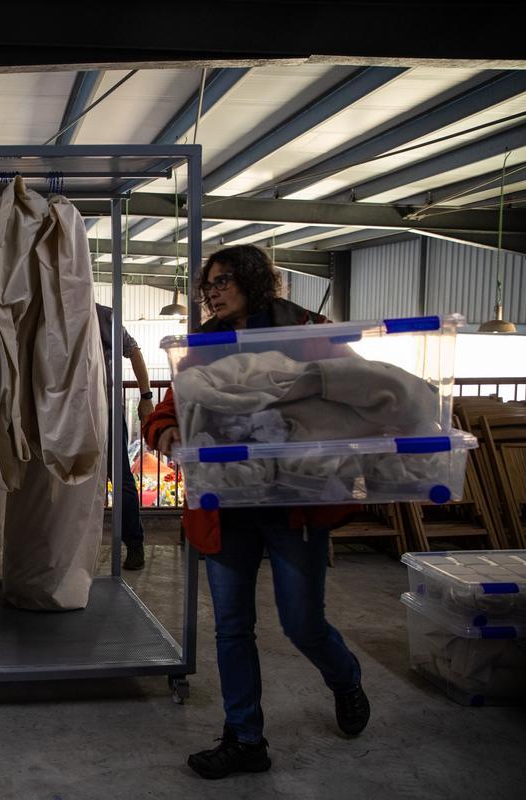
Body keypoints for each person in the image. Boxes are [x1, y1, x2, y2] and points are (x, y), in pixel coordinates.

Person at [142, 245, 369, 780]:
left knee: (302, 623)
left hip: (294, 503)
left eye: (223, 281)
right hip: (225, 505)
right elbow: (169, 408)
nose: (213, 292)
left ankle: (346, 679)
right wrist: (166, 431)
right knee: (231, 628)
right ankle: (245, 739)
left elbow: (361, 388)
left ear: (252, 280)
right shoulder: (201, 345)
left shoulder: (309, 330)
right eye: (209, 285)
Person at [95, 304, 153, 570]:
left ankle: (134, 543)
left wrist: (146, 396)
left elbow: (133, 351)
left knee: (120, 481)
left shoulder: (104, 316)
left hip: (106, 412)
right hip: (71, 414)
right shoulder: (55, 311)